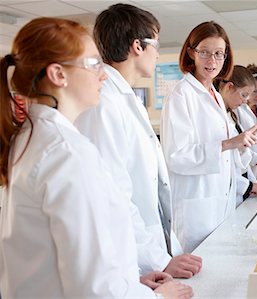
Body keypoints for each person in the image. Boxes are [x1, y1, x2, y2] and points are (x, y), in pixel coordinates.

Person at [0, 17, 192, 298]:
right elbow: (97, 289)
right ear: (58, 75)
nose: (103, 74)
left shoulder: (34, 137)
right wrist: (159, 297)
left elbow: (70, 255)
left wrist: (130, 280)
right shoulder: (66, 153)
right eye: (92, 64)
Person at [75, 4, 202, 278]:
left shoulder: (126, 98)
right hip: (130, 256)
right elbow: (114, 197)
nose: (157, 53)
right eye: (155, 44)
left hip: (148, 248)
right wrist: (158, 258)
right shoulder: (104, 103)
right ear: (137, 46)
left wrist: (166, 252)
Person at [161, 21, 257, 253]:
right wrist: (230, 143)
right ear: (191, 52)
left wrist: (242, 143)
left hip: (219, 204)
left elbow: (224, 154)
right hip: (196, 210)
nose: (212, 61)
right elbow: (177, 156)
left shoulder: (214, 95)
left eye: (219, 54)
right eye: (204, 52)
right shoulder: (180, 95)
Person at [215, 65, 257, 206]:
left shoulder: (229, 114)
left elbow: (239, 156)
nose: (246, 101)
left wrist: (252, 184)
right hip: (224, 191)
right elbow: (222, 162)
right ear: (229, 87)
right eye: (244, 95)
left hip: (238, 185)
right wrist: (249, 186)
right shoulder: (217, 116)